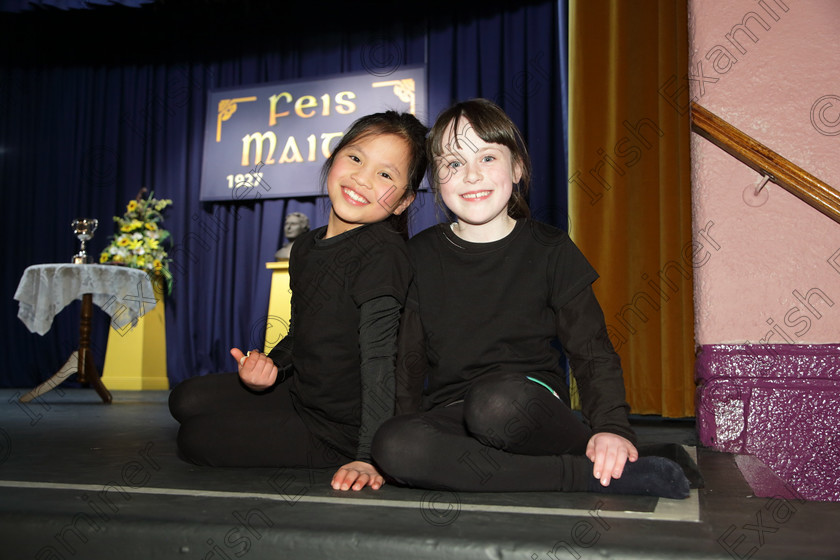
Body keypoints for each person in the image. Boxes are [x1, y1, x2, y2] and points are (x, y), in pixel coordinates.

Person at [371, 99, 692, 498]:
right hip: (453, 411)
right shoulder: (420, 254)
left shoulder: (549, 248)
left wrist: (611, 428)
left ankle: (591, 450)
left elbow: (592, 351)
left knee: (495, 405)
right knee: (393, 444)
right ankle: (583, 475)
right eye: (453, 164)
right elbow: (409, 360)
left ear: (517, 168)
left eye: (487, 157)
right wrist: (406, 429)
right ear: (436, 181)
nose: (471, 175)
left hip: (526, 403)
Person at [169, 110, 428, 492]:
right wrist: (271, 364)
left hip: (339, 427)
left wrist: (368, 454)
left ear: (404, 201)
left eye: (385, 174)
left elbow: (380, 361)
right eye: (355, 158)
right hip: (300, 394)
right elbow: (302, 332)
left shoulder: (382, 253)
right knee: (185, 398)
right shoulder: (307, 245)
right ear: (334, 157)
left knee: (195, 440)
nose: (362, 178)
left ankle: (342, 447)